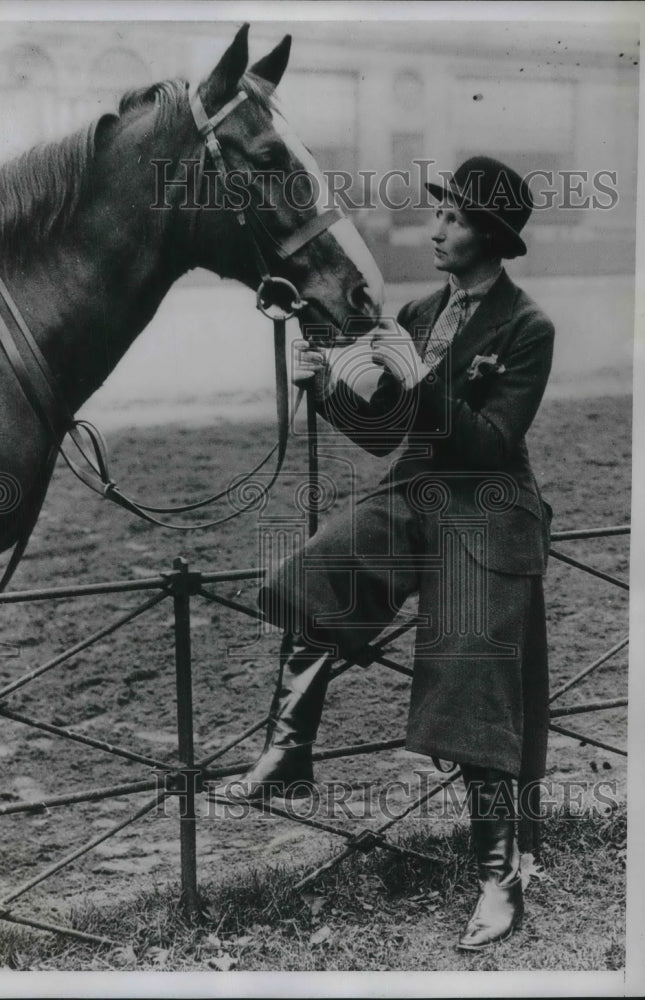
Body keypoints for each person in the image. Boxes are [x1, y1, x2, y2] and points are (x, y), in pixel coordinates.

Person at [228, 156, 555, 951]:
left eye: (450, 218)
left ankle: (496, 879)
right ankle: (290, 748)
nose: (434, 227)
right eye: (436, 215)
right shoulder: (415, 312)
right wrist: (322, 387)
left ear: (490, 235)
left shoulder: (526, 326)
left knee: (467, 680)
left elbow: (486, 443)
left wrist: (424, 376)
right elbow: (381, 432)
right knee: (309, 578)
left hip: (487, 506)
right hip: (415, 493)